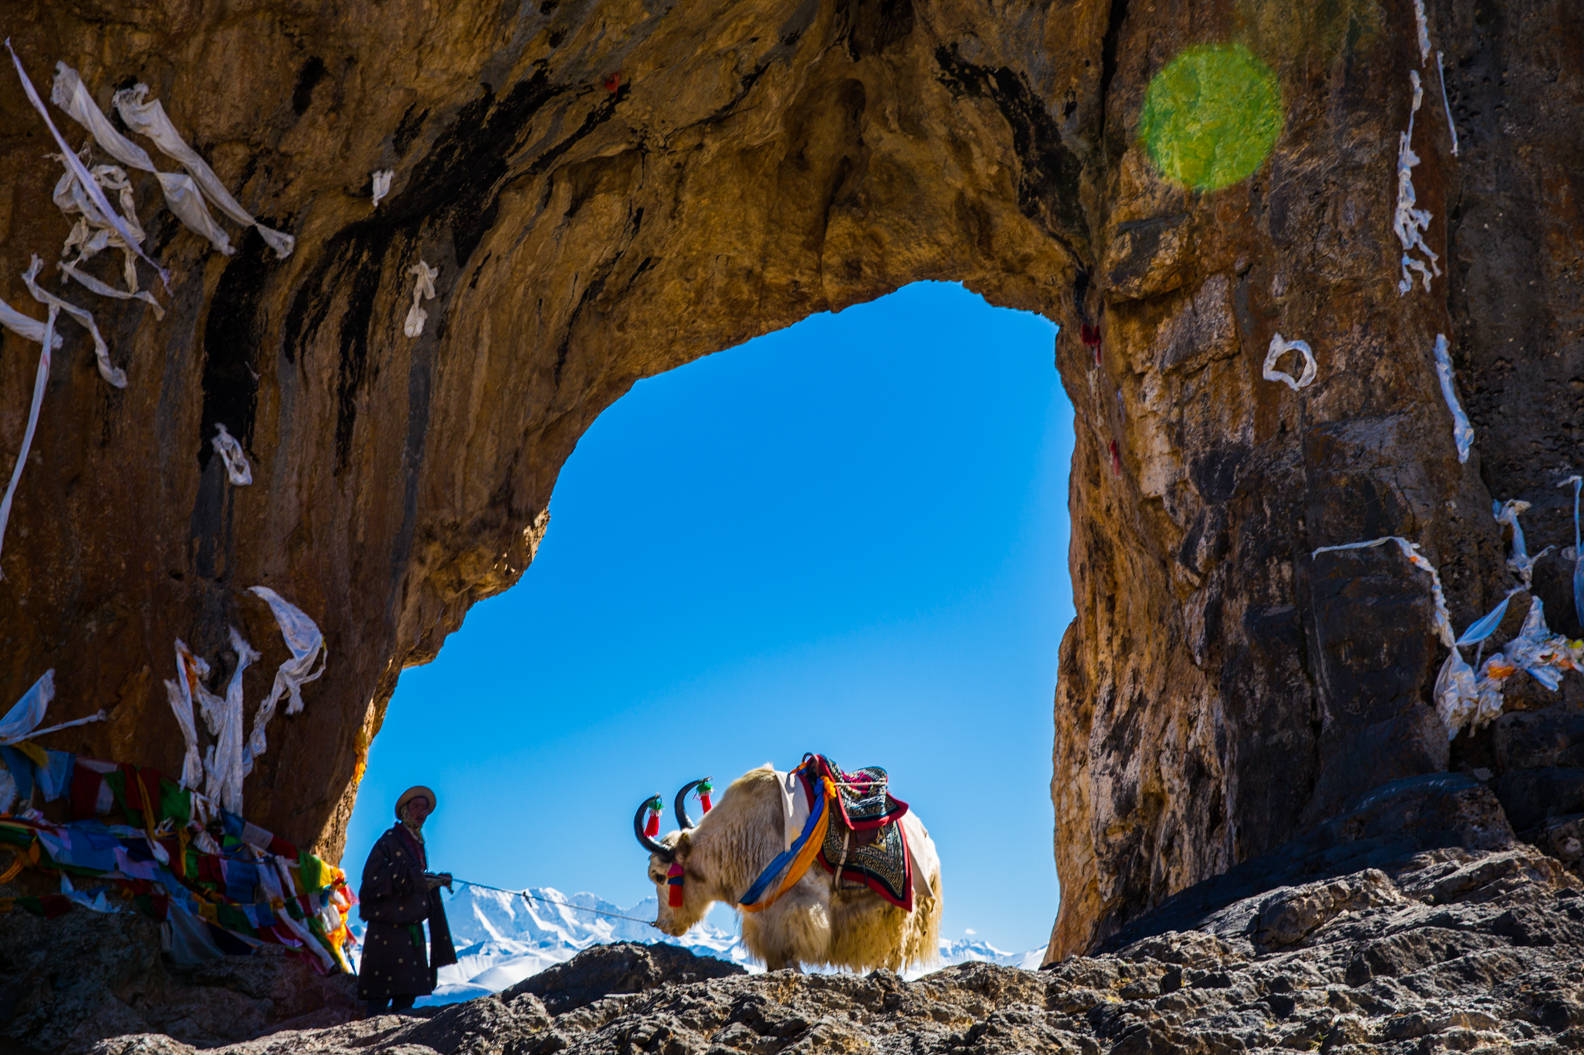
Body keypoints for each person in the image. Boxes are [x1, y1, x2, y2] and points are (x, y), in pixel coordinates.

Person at [357, 785, 457, 1015]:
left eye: (424, 808)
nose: (421, 812)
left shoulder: (417, 843)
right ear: (405, 810)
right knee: (379, 997)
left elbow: (414, 878)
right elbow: (372, 879)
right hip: (386, 930)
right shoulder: (389, 840)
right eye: (416, 807)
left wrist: (433, 881)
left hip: (410, 928)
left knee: (406, 997)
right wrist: (417, 879)